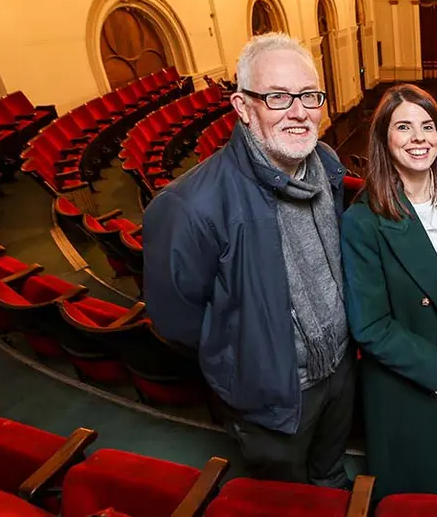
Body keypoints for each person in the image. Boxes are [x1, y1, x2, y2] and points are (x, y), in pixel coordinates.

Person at [143, 33, 355, 489]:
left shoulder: (328, 163)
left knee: (331, 475)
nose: (298, 112)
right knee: (283, 497)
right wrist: (251, 357)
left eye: (309, 96)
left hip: (340, 372)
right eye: (277, 97)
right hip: (272, 394)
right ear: (242, 107)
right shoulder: (188, 206)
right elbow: (178, 321)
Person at [341, 84, 437, 500]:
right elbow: (371, 327)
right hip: (409, 381)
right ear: (383, 138)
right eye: (404, 127)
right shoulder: (363, 220)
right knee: (415, 495)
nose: (419, 138)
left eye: (427, 126)